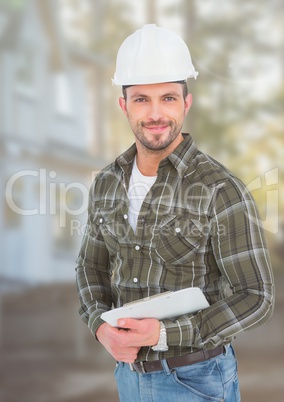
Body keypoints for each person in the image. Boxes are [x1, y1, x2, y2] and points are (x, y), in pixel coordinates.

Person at [75, 24, 274, 402]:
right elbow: (90, 267)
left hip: (197, 380)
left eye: (167, 98)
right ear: (123, 105)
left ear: (186, 103)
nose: (155, 114)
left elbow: (257, 296)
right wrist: (100, 326)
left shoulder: (220, 189)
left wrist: (164, 334)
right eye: (141, 99)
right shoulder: (106, 183)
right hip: (128, 378)